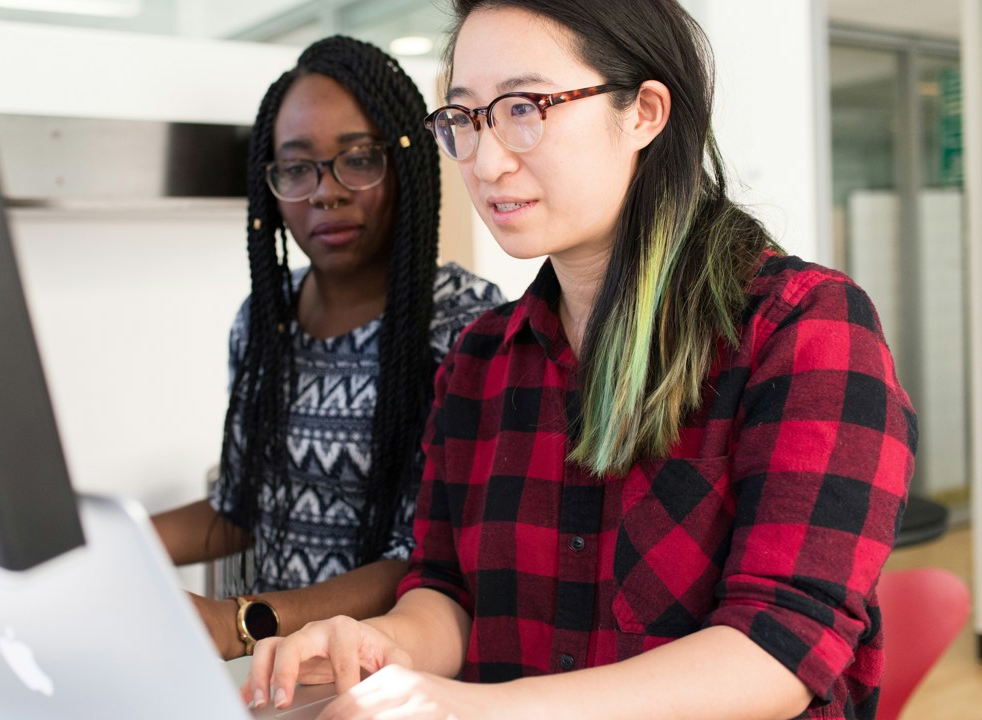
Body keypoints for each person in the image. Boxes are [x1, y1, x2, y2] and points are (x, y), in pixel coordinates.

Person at [241, 2, 917, 719]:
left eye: (525, 108)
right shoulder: (480, 358)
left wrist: (472, 710)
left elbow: (777, 651)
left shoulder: (804, 327)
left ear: (645, 112)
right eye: (467, 120)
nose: (488, 160)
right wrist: (380, 648)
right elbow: (446, 592)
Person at [151, 36, 505, 661]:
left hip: (391, 673)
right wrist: (101, 545)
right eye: (297, 167)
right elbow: (240, 505)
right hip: (277, 675)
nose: (326, 191)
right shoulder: (264, 321)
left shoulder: (463, 326)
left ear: (405, 165)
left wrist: (240, 622)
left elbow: (427, 559)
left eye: (358, 159)